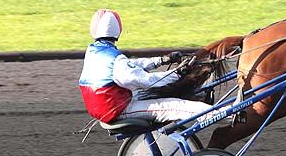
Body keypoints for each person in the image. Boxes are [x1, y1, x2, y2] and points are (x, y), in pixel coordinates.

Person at [78, 9, 214, 124]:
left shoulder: (93, 51)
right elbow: (144, 80)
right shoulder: (116, 58)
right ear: (118, 31)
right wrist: (177, 73)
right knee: (177, 106)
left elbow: (131, 66)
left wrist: (162, 60)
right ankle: (229, 115)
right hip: (119, 109)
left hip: (105, 107)